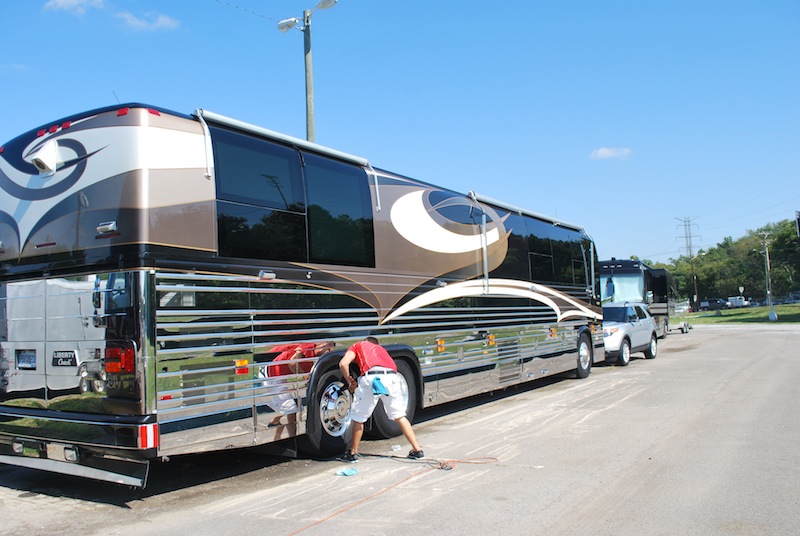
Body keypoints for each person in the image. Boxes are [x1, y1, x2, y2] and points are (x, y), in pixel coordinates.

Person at [338, 336, 424, 462]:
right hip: (392, 378)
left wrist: (350, 381)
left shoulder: (358, 345)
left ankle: (352, 453)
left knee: (359, 418)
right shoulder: (382, 350)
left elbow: (343, 363)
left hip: (372, 378)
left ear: (365, 341)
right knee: (399, 415)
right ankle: (417, 450)